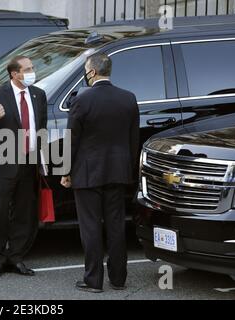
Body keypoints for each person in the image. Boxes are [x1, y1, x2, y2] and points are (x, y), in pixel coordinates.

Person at [61, 53, 139, 293]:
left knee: (91, 226)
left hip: (87, 173)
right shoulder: (128, 98)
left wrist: (66, 171)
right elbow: (133, 140)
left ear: (92, 72)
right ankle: (118, 278)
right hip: (117, 172)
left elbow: (71, 140)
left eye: (86, 69)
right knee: (116, 225)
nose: (85, 73)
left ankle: (93, 280)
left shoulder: (82, 101)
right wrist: (130, 171)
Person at [0, 55, 47, 278]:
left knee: (24, 213)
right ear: (14, 74)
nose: (32, 71)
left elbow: (41, 129)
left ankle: (16, 257)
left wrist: (42, 160)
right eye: (27, 69)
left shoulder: (38, 95)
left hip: (29, 164)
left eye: (32, 67)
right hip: (3, 165)